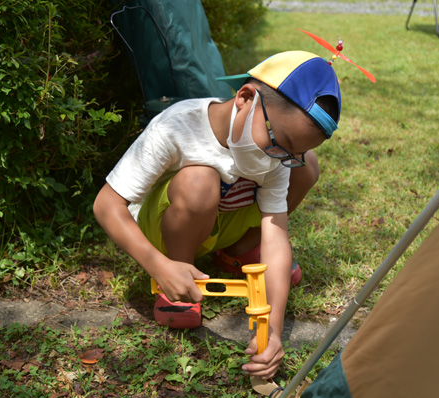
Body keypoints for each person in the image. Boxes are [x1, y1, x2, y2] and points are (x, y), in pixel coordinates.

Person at [93, 51, 341, 379]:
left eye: (290, 153)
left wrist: (274, 331)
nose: (282, 158)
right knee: (199, 181)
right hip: (169, 229)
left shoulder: (279, 154)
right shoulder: (178, 126)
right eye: (281, 142)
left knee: (307, 167)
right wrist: (160, 266)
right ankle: (177, 283)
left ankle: (236, 251)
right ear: (245, 97)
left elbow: (276, 235)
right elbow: (107, 205)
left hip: (221, 224)